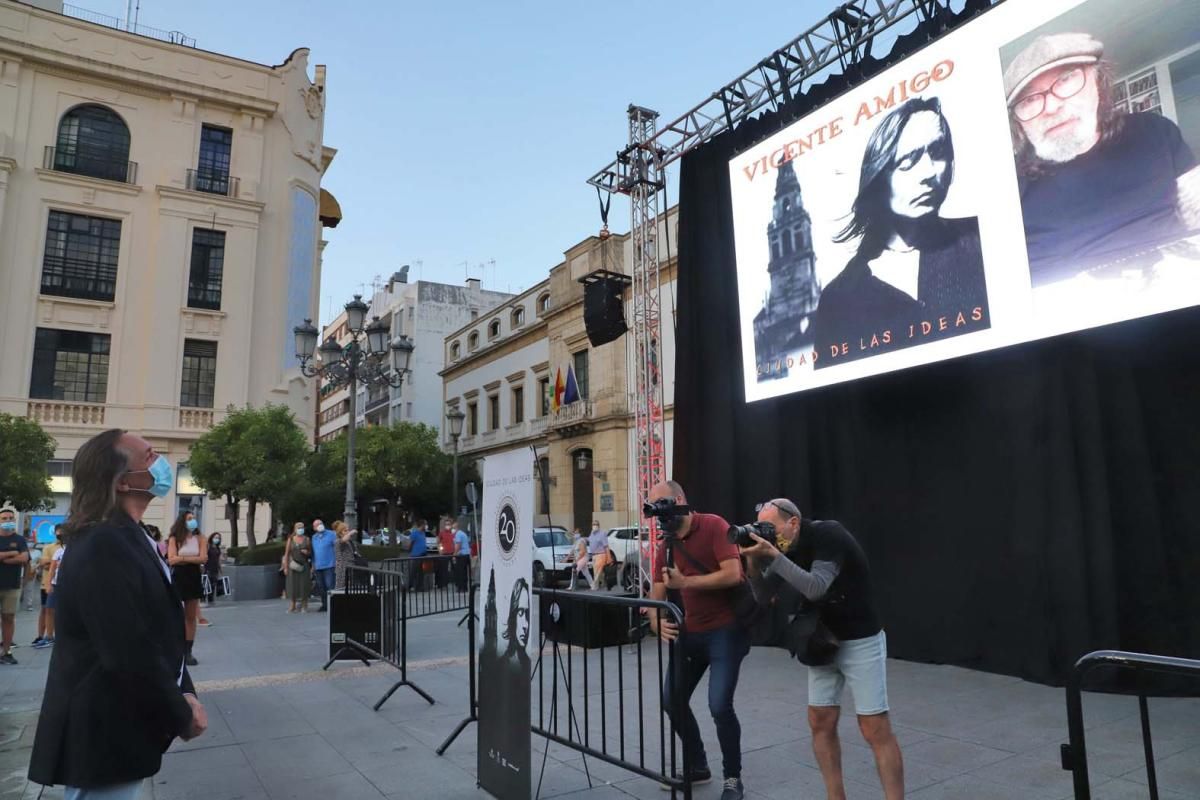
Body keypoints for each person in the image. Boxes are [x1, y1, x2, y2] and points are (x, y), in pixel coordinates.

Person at [28, 429, 207, 797]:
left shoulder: (129, 534)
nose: (161, 464)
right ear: (123, 482)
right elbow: (126, 648)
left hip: (120, 729)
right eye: (150, 457)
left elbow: (158, 629)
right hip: (103, 732)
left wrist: (185, 692)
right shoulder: (103, 541)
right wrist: (180, 712)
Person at [1004, 33, 1199, 286]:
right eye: (1029, 99)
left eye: (1065, 79)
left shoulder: (1155, 131)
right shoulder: (1005, 188)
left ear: (1098, 80)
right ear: (1018, 121)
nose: (1051, 107)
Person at [742, 498, 902, 800]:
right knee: (820, 721)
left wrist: (773, 555)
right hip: (822, 639)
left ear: (794, 523)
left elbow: (817, 586)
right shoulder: (783, 549)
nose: (766, 534)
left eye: (771, 527)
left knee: (873, 727)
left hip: (860, 637)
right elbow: (763, 596)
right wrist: (752, 561)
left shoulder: (829, 535)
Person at [812, 96, 989, 368]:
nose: (929, 172)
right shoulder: (839, 296)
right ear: (879, 176)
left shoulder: (982, 238)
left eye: (938, 152)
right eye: (909, 159)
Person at [646, 481, 748, 800]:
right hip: (692, 633)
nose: (659, 516)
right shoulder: (668, 543)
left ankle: (733, 778)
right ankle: (698, 765)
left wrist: (687, 581)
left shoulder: (714, 525)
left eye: (662, 505)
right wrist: (655, 621)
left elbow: (734, 574)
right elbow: (658, 592)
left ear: (678, 501)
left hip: (725, 632)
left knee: (719, 704)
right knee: (671, 699)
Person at [167, 512, 207, 665]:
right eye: (189, 519)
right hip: (178, 577)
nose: (193, 521)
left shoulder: (200, 538)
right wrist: (191, 560)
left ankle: (188, 651)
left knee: (190, 616)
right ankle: (175, 648)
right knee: (175, 614)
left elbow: (203, 558)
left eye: (194, 518)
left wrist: (182, 558)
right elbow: (171, 560)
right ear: (182, 522)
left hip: (193, 577)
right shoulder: (175, 539)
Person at [0, 508, 29, 664]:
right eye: (4, 518)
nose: (8, 520)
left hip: (12, 586)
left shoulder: (19, 539)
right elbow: (18, 556)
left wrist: (4, 558)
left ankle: (7, 651)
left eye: (10, 518)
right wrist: (12, 553)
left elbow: (24, 557)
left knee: (8, 618)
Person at [33, 526, 63, 649]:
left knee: (61, 611)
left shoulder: (72, 547)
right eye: (59, 533)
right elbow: (44, 564)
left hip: (65, 585)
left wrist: (55, 563)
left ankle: (59, 636)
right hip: (48, 584)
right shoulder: (50, 548)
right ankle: (43, 636)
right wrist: (55, 563)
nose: (61, 536)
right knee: (46, 609)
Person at [282, 522, 312, 613]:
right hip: (293, 565)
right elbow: (286, 554)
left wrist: (307, 552)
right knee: (292, 585)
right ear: (295, 529)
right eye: (299, 528)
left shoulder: (307, 539)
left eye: (302, 527)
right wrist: (285, 567)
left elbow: (310, 552)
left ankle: (304, 605)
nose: (300, 529)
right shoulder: (290, 539)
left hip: (304, 565)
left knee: (304, 585)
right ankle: (293, 605)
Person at [310, 519, 336, 613]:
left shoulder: (332, 534)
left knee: (330, 586)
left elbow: (337, 548)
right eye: (316, 525)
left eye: (320, 523)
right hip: (318, 566)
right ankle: (324, 605)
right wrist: (313, 565)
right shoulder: (314, 537)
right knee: (321, 587)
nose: (319, 525)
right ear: (314, 528)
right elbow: (313, 552)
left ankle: (332, 605)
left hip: (329, 565)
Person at [586, 520, 611, 591]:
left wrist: (609, 557)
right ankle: (603, 582)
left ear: (599, 526)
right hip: (593, 555)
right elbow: (589, 540)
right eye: (593, 524)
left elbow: (606, 546)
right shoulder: (592, 533)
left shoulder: (602, 534)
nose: (594, 526)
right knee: (596, 571)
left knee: (597, 571)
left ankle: (595, 586)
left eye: (596, 524)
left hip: (601, 554)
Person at [333, 521, 356, 590]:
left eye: (348, 530)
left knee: (350, 588)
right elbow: (343, 540)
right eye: (345, 531)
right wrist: (351, 533)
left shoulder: (349, 541)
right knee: (341, 588)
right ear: (340, 533)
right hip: (342, 568)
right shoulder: (337, 541)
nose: (347, 532)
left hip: (350, 566)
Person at [204, 532, 224, 607]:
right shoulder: (208, 547)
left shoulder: (217, 548)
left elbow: (218, 559)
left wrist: (220, 569)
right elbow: (204, 556)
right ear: (211, 538)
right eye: (215, 537)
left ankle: (211, 600)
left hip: (215, 569)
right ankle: (206, 600)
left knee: (213, 585)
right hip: (208, 568)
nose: (217, 539)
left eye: (218, 538)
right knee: (207, 585)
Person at [452, 521, 471, 593]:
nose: (452, 529)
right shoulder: (463, 533)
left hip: (461, 555)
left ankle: (461, 587)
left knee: (460, 572)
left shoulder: (458, 534)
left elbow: (458, 545)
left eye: (453, 528)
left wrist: (454, 554)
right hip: (466, 554)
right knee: (464, 572)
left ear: (456, 528)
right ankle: (465, 587)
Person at [436, 518, 455, 589]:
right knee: (444, 569)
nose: (448, 526)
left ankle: (455, 582)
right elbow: (438, 542)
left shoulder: (453, 533)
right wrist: (440, 550)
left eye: (449, 524)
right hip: (444, 553)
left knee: (454, 568)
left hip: (453, 553)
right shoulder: (442, 533)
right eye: (446, 524)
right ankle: (444, 584)